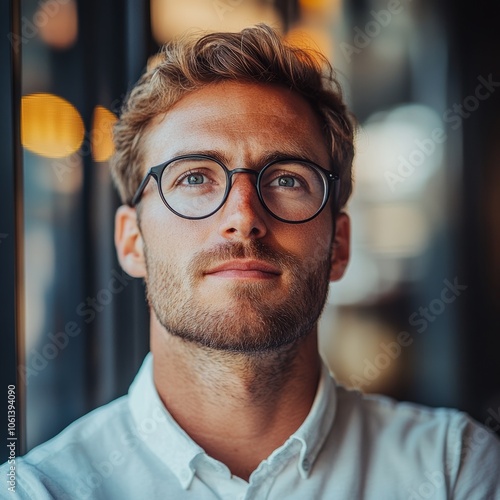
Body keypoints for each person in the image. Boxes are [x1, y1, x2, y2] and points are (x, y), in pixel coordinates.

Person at [2, 24, 500, 500]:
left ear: (339, 245)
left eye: (286, 179)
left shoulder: (453, 470)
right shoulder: (37, 490)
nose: (242, 218)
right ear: (132, 241)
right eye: (194, 178)